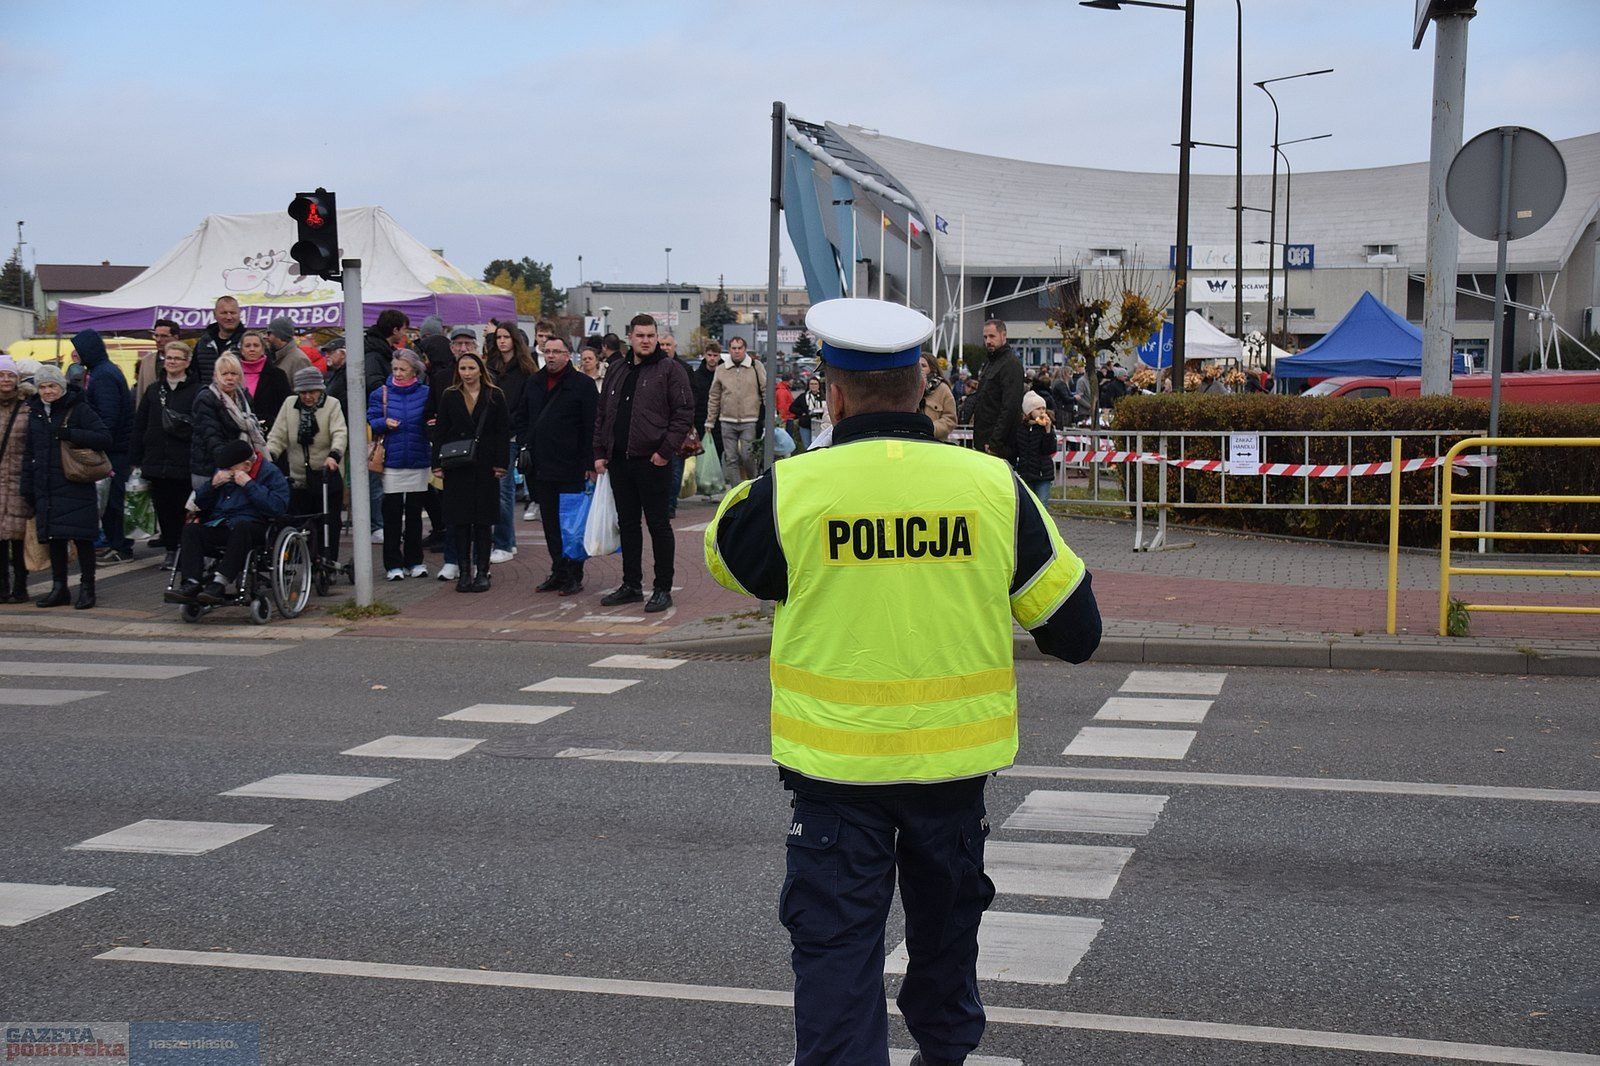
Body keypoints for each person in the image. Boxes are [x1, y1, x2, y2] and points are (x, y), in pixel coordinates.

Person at [704, 298, 1101, 1066]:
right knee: (947, 944)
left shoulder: (792, 491)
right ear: (923, 386)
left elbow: (725, 557)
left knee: (837, 955)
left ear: (833, 391)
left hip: (836, 774)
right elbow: (1076, 632)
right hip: (951, 775)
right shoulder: (992, 488)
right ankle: (945, 1053)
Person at [592, 314, 693, 612]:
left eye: (651, 335)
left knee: (659, 526)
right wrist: (599, 451)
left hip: (654, 462)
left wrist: (664, 452)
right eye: (640, 335)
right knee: (628, 525)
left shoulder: (670, 370)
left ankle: (662, 588)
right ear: (630, 337)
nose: (646, 340)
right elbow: (602, 413)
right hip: (620, 461)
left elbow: (684, 413)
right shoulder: (617, 369)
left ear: (657, 337)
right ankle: (631, 584)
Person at [21, 365, 112, 609]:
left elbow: (104, 437)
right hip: (46, 486)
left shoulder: (79, 408)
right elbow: (29, 451)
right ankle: (59, 587)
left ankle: (87, 588)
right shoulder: (36, 413)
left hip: (75, 484)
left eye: (52, 386)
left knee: (83, 539)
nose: (48, 391)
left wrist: (69, 433)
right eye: (43, 387)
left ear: (61, 387)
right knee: (55, 539)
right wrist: (27, 487)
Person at [168, 439, 289, 606]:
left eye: (230, 469)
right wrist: (212, 485)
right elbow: (200, 503)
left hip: (254, 527)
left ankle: (219, 582)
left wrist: (249, 484)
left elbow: (277, 507)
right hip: (222, 524)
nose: (226, 472)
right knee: (191, 530)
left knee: (242, 528)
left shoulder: (270, 473)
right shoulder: (223, 472)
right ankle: (191, 583)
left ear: (247, 465)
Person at [520, 334, 596, 596]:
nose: (551, 356)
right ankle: (558, 570)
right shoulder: (534, 383)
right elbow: (523, 418)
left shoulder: (582, 385)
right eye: (547, 351)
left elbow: (591, 426)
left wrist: (590, 462)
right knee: (550, 523)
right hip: (541, 466)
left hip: (572, 467)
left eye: (556, 351)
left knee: (572, 525)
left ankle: (574, 574)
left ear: (568, 355)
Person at [432, 351, 509, 593]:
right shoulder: (449, 396)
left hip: (485, 464)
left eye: (471, 368)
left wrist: (501, 464)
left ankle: (483, 571)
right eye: (463, 369)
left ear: (480, 370)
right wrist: (437, 463)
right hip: (457, 464)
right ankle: (464, 571)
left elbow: (502, 433)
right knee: (460, 520)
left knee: (483, 521)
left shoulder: (494, 395)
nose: (467, 373)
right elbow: (441, 431)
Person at [267, 367, 348, 571]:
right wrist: (269, 456)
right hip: (299, 477)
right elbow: (278, 436)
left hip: (325, 475)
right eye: (303, 392)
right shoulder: (289, 405)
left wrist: (334, 455)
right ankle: (304, 560)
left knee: (328, 523)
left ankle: (327, 560)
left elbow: (339, 433)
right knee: (300, 522)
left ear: (320, 390)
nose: (308, 396)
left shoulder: (332, 405)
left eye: (312, 391)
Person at [130, 341, 199, 569]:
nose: (171, 362)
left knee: (183, 508)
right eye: (169, 358)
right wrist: (136, 458)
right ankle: (171, 549)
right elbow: (140, 424)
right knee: (164, 509)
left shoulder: (197, 390)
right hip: (156, 460)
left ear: (187, 362)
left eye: (177, 358)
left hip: (184, 460)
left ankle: (184, 549)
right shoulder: (153, 390)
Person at [73, 329, 137, 561]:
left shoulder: (103, 376)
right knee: (111, 500)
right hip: (115, 447)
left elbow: (107, 416)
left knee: (113, 501)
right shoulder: (103, 371)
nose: (76, 355)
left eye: (79, 350)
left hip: (113, 449)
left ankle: (120, 546)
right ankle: (116, 543)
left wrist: (95, 439)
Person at [369, 349, 432, 581]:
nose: (398, 373)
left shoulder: (426, 393)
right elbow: (372, 420)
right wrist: (383, 422)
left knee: (415, 513)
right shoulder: (381, 393)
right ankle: (393, 563)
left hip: (418, 457)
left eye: (403, 369)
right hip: (392, 460)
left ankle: (415, 560)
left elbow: (432, 419)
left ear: (414, 370)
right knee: (392, 513)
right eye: (395, 369)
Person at [486, 323, 536, 563]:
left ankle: (503, 543)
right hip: (492, 433)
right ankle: (508, 540)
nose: (502, 341)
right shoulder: (491, 366)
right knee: (497, 490)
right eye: (498, 337)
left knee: (503, 491)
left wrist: (515, 427)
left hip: (512, 434)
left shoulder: (526, 370)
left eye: (506, 337)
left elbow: (527, 404)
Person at [190, 353, 267, 490]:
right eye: (224, 374)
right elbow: (211, 437)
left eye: (234, 373)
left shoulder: (244, 397)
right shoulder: (206, 398)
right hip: (210, 467)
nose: (229, 378)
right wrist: (231, 464)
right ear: (216, 375)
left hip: (241, 466)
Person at [705, 335, 765, 486]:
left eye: (740, 348)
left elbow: (766, 390)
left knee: (747, 455)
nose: (737, 351)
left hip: (749, 419)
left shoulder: (755, 366)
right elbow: (714, 396)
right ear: (729, 350)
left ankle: (753, 485)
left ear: (745, 349)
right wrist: (710, 420)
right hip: (727, 420)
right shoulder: (721, 370)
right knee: (730, 458)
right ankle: (735, 491)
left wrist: (772, 415)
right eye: (733, 348)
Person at [0, 356, 32, 603]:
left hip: (20, 477)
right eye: (1, 375)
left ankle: (21, 586)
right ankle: (2, 586)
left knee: (20, 535)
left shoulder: (28, 406)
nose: (6, 380)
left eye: (10, 375)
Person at [970, 318, 1023, 460]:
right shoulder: (990, 363)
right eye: (985, 337)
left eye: (992, 336)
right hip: (984, 441)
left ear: (1003, 335)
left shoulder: (1011, 364)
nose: (988, 341)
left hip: (997, 446)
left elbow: (1010, 407)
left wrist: (995, 443)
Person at [237, 331, 291, 434]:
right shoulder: (233, 375)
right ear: (242, 350)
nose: (252, 349)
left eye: (256, 345)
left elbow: (285, 407)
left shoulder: (278, 375)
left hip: (270, 433)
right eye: (247, 346)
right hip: (239, 433)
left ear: (262, 349)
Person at [1013, 391, 1058, 504]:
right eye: (1038, 409)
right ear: (1029, 411)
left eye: (1043, 408)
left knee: (1042, 504)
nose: (1042, 411)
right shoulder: (1020, 428)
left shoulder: (1046, 428)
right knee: (1029, 504)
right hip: (1025, 472)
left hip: (1043, 473)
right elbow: (1016, 449)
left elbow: (1049, 450)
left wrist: (1048, 431)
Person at [192, 296, 244, 384]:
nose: (229, 317)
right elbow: (194, 374)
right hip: (208, 395)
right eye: (224, 313)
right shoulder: (203, 343)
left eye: (233, 313)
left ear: (239, 313)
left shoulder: (249, 342)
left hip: (239, 396)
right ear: (215, 314)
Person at [690, 342, 723, 462]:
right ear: (704, 355)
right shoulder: (696, 376)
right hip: (701, 421)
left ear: (719, 356)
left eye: (715, 355)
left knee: (719, 453)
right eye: (709, 355)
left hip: (721, 420)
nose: (712, 358)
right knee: (702, 456)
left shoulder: (724, 374)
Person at [916, 351, 957, 442]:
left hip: (935, 442)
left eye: (923, 365)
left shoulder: (943, 389)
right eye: (917, 365)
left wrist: (931, 428)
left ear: (933, 368)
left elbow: (950, 419)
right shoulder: (910, 388)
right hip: (913, 441)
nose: (919, 368)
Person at [136, 319, 181, 396]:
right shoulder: (146, 361)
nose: (158, 340)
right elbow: (140, 391)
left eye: (164, 336)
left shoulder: (186, 360)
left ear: (176, 337)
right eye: (156, 336)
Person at [265, 316, 313, 382]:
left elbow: (306, 389)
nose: (267, 337)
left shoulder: (299, 360)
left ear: (279, 335)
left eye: (269, 333)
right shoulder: (275, 357)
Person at [794, 375, 826, 450]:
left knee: (819, 446)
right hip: (806, 424)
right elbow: (792, 407)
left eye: (815, 384)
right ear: (808, 385)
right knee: (807, 446)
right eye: (811, 384)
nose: (813, 386)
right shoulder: (803, 396)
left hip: (820, 424)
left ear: (819, 385)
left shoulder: (824, 396)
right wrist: (802, 413)